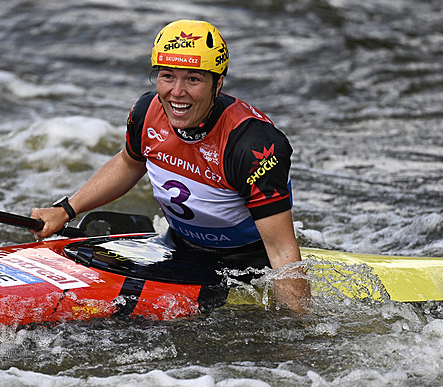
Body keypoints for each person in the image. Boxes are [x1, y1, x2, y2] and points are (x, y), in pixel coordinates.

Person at [31, 19, 310, 313]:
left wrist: (298, 332)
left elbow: (281, 252)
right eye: (167, 77)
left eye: (193, 79)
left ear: (219, 83)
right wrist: (66, 209)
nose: (177, 93)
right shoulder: (146, 111)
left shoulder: (252, 144)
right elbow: (129, 163)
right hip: (176, 247)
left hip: (246, 264)